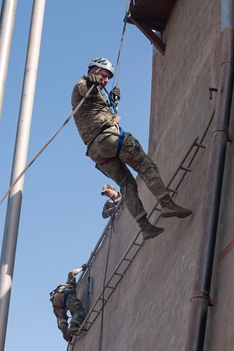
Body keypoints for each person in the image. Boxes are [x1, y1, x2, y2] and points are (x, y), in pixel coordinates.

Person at [72, 57, 192, 240]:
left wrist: (112, 99)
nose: (105, 80)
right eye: (103, 76)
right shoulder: (83, 84)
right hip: (108, 138)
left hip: (96, 151)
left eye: (107, 78)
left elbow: (93, 97)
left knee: (127, 185)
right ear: (93, 71)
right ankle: (166, 203)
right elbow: (86, 89)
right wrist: (92, 82)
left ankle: (145, 227)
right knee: (145, 165)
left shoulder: (93, 91)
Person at [51, 265, 88, 341]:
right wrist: (82, 268)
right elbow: (71, 273)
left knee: (61, 317)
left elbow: (60, 316)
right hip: (67, 294)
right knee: (78, 311)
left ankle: (64, 327)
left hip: (55, 299)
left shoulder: (60, 288)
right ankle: (73, 326)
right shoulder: (70, 284)